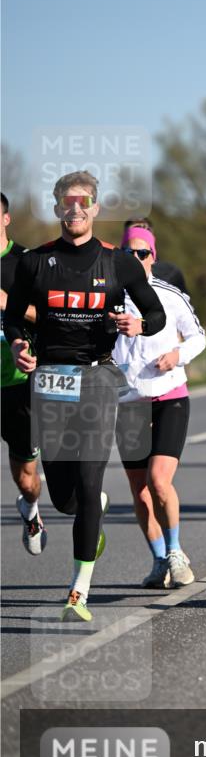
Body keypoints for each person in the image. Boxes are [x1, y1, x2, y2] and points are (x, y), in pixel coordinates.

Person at [4, 171, 165, 621]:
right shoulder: (35, 263)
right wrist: (17, 345)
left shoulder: (119, 263)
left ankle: (79, 591)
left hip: (96, 378)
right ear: (57, 208)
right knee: (64, 497)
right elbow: (14, 317)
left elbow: (154, 313)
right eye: (66, 202)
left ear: (95, 208)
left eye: (83, 202)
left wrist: (139, 325)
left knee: (91, 482)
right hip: (50, 380)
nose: (75, 210)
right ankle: (89, 513)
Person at [113, 226, 206, 588]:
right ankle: (158, 560)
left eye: (143, 253)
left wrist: (177, 355)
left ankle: (176, 552)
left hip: (169, 395)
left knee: (158, 481)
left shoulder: (170, 295)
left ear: (153, 256)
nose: (136, 259)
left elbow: (197, 337)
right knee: (139, 490)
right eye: (128, 253)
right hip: (127, 402)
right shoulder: (108, 297)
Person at [1, 192, 46, 554]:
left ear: (5, 219)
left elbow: (47, 315)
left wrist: (7, 303)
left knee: (26, 477)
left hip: (17, 381)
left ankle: (30, 508)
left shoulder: (26, 262)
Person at [122, 218, 188, 293]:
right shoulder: (113, 275)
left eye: (142, 252)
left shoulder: (171, 273)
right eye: (129, 251)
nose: (135, 257)